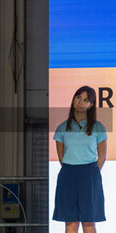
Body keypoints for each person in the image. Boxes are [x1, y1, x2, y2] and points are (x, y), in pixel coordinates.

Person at [53, 86, 107, 233]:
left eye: (86, 100)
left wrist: (91, 172)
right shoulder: (62, 128)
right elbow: (61, 158)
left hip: (90, 175)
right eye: (78, 97)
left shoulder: (98, 127)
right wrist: (73, 169)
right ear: (73, 98)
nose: (80, 102)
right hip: (68, 174)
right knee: (70, 223)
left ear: (90, 105)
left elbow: (102, 156)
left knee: (89, 223)